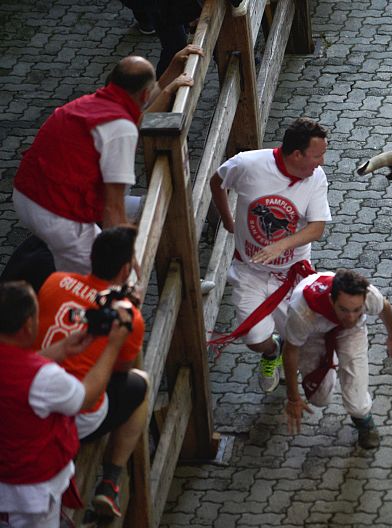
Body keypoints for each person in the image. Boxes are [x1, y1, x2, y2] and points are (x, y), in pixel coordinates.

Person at [12, 45, 202, 275]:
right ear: (143, 94)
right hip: (58, 210)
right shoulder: (120, 129)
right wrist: (124, 256)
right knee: (104, 275)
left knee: (148, 212)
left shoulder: (92, 103)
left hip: (28, 195)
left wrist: (172, 69)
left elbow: (142, 107)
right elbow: (113, 207)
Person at [210, 117, 331, 392]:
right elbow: (217, 182)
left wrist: (282, 245)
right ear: (297, 154)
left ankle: (289, 353)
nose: (322, 162)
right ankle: (271, 352)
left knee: (299, 335)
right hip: (249, 270)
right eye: (317, 155)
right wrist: (227, 220)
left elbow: (316, 228)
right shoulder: (247, 164)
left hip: (291, 274)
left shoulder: (316, 178)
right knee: (254, 338)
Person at [34, 226, 148, 519]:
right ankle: (110, 482)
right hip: (75, 416)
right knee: (140, 384)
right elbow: (120, 369)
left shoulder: (55, 280)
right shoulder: (128, 316)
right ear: (125, 270)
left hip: (34, 396)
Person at [0, 281, 130, 528]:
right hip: (31, 497)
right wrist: (113, 346)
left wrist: (60, 349)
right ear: (28, 325)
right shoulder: (45, 378)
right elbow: (86, 397)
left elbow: (14, 370)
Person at [282, 269, 392, 449]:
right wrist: (293, 398)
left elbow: (385, 308)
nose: (351, 317)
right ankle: (284, 341)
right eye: (344, 310)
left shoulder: (370, 296)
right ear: (331, 300)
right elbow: (291, 351)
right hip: (313, 335)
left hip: (351, 333)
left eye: (357, 310)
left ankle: (364, 422)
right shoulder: (301, 310)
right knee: (319, 398)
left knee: (357, 400)